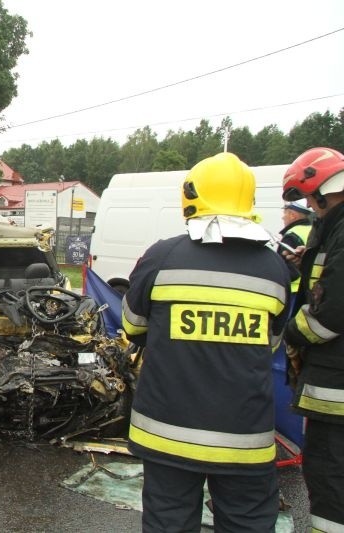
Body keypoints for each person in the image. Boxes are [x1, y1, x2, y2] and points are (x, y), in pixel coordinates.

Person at [121, 152, 291, 532]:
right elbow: (271, 344)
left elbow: (133, 327)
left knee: (170, 523)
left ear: (191, 195)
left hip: (168, 434)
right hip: (245, 439)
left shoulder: (163, 256)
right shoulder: (275, 268)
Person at [281, 146, 344, 533]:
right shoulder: (333, 228)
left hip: (336, 384)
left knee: (329, 476)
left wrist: (290, 334)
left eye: (308, 197)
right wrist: (307, 260)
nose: (306, 205)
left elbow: (329, 314)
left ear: (322, 191)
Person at [279, 199, 313, 295]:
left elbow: (287, 269)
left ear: (293, 215)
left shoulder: (292, 234)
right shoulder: (313, 230)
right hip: (307, 288)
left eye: (285, 213)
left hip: (292, 290)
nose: (282, 217)